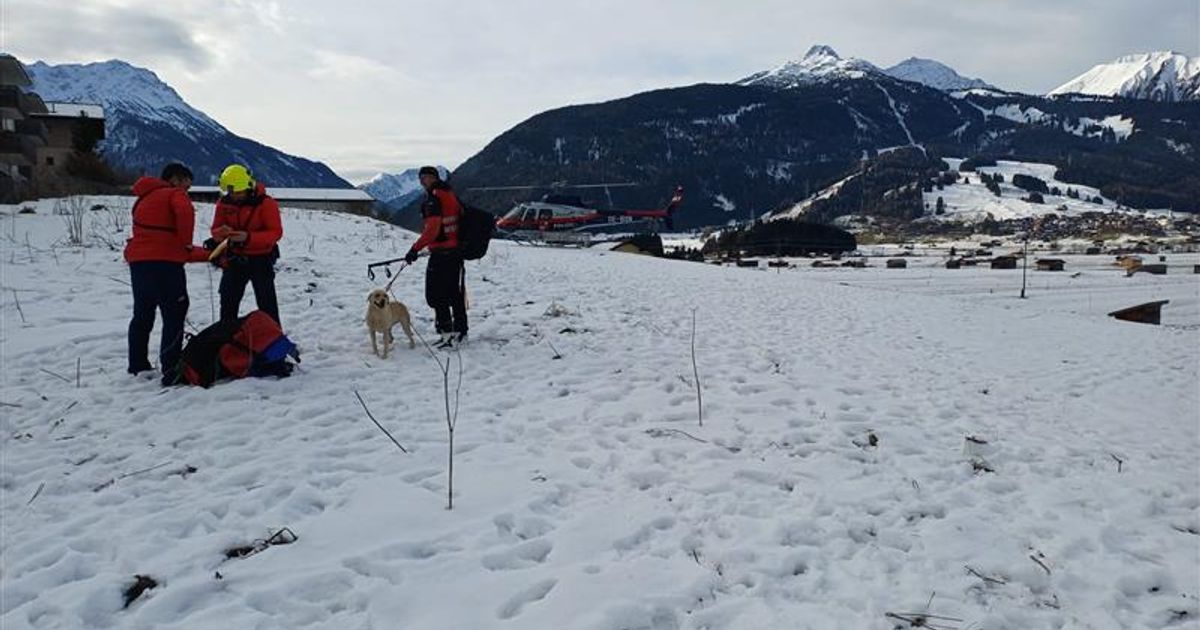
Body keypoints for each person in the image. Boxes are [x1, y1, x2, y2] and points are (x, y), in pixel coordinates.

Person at [124, 162, 211, 386]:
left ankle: (137, 365)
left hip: (139, 264)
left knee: (142, 315)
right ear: (176, 180)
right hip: (166, 267)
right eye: (187, 186)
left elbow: (160, 241)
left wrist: (205, 254)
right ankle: (171, 369)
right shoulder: (174, 195)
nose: (187, 192)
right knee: (174, 314)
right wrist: (187, 243)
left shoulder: (143, 199)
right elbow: (182, 219)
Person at [210, 164, 283, 325]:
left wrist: (248, 237)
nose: (234, 196)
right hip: (235, 259)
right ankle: (226, 342)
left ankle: (274, 342)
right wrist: (220, 233)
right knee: (228, 303)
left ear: (248, 187)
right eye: (230, 192)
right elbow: (215, 230)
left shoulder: (266, 203)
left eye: (238, 192)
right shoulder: (224, 203)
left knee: (267, 305)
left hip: (261, 259)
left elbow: (275, 233)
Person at [404, 166, 467, 348]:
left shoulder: (434, 199)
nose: (423, 181)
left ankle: (446, 334)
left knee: (436, 296)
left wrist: (414, 249)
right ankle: (460, 331)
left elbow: (432, 230)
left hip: (442, 254)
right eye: (421, 178)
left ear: (433, 178)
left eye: (426, 177)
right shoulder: (449, 193)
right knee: (454, 293)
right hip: (455, 251)